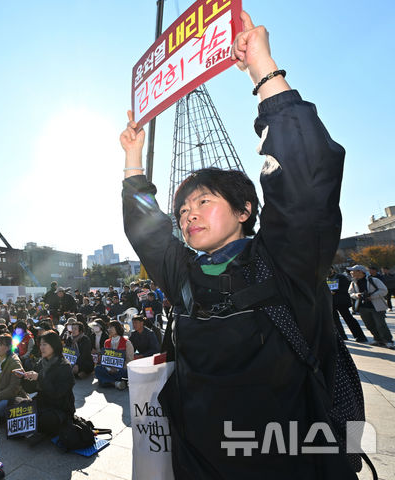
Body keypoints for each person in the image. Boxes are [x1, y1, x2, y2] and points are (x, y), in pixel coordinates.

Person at [120, 11, 365, 478]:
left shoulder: (284, 261)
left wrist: (263, 70)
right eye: (183, 208)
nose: (188, 213)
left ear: (245, 211)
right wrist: (133, 162)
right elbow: (146, 230)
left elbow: (304, 180)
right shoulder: (185, 278)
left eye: (205, 201)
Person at [19, 330, 75, 437]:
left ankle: (37, 430)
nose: (41, 348)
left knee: (47, 420)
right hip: (43, 403)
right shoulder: (41, 363)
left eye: (45, 344)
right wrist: (24, 378)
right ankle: (35, 429)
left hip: (59, 408)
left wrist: (39, 378)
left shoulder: (64, 366)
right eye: (40, 345)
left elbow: (56, 394)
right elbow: (30, 390)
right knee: (19, 407)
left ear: (54, 345)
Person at [348, 265, 394, 348]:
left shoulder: (373, 280)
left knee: (380, 324)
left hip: (376, 306)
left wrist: (372, 296)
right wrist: (357, 295)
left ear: (360, 272)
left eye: (353, 271)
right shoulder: (353, 282)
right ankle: (378, 339)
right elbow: (350, 293)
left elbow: (384, 290)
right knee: (369, 325)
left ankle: (388, 341)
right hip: (362, 307)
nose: (351, 273)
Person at [328, 267, 367, 343]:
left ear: (333, 269)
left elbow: (347, 288)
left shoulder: (341, 277)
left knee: (348, 318)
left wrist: (336, 291)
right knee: (335, 320)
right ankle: (341, 336)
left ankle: (360, 336)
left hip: (342, 302)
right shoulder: (326, 279)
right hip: (331, 302)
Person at [93, 321, 133, 390]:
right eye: (108, 328)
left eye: (111, 327)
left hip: (121, 369)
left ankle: (108, 381)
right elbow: (105, 359)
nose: (109, 329)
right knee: (97, 369)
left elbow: (130, 360)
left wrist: (117, 369)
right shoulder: (107, 342)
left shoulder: (127, 343)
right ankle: (116, 383)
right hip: (109, 369)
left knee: (124, 373)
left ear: (117, 328)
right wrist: (109, 368)